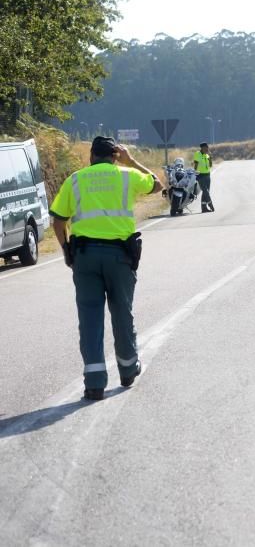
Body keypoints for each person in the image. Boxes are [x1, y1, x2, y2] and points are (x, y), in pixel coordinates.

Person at [50, 137, 163, 401]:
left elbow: (58, 220)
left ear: (91, 156)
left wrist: (67, 251)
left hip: (85, 257)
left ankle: (94, 384)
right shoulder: (127, 175)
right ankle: (127, 370)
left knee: (89, 319)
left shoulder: (75, 180)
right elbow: (157, 185)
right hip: (119, 257)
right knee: (122, 312)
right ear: (114, 155)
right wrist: (131, 160)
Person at [192, 142, 215, 213]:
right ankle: (210, 204)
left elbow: (210, 166)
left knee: (206, 192)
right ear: (202, 148)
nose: (207, 149)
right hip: (200, 175)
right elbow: (195, 165)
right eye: (206, 147)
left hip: (207, 175)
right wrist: (195, 174)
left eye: (207, 147)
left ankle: (204, 208)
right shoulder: (197, 154)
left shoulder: (207, 155)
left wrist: (210, 158)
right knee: (205, 191)